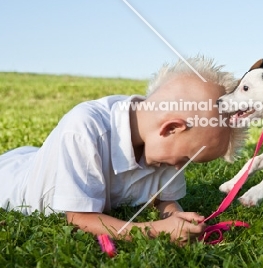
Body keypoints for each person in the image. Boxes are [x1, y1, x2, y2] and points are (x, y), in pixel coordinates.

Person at [0, 57, 246, 245]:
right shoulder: (85, 129)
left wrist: (174, 216)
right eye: (185, 159)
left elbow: (164, 199)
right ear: (170, 128)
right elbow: (78, 219)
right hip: (10, 178)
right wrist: (155, 231)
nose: (180, 167)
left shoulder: (158, 142)